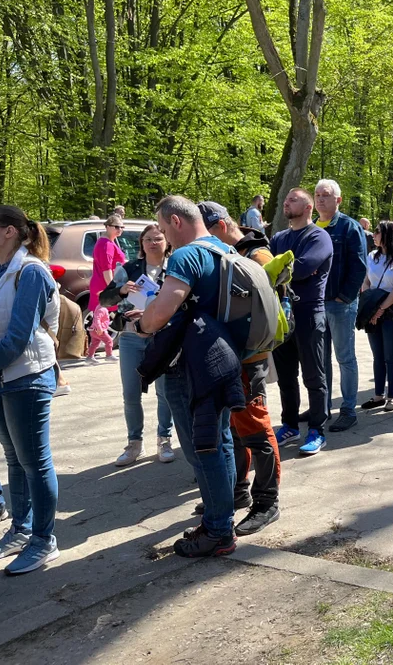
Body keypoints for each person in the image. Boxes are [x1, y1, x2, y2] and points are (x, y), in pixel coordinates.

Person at [131, 196, 238, 558]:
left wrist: (140, 325)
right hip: (224, 361)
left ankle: (219, 531)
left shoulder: (187, 254)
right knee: (220, 443)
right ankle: (220, 516)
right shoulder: (223, 249)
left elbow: (162, 309)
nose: (162, 237)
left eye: (162, 229)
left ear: (176, 221)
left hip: (192, 368)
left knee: (201, 448)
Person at [0, 206, 61, 575]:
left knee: (34, 461)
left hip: (26, 376)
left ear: (10, 232)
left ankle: (45, 540)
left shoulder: (30, 271)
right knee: (14, 459)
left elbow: (19, 335)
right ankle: (22, 528)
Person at [200, 202, 282, 534]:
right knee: (235, 429)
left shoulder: (255, 255)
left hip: (248, 358)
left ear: (219, 225)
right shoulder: (232, 252)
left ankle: (268, 501)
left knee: (255, 429)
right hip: (228, 356)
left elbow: (269, 304)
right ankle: (238, 491)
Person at [99, 224, 175, 467]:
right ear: (141, 244)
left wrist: (155, 312)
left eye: (158, 238)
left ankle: (164, 439)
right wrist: (121, 290)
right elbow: (104, 298)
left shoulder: (175, 268)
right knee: (131, 394)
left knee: (165, 394)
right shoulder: (129, 268)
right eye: (148, 239)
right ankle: (134, 444)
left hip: (163, 337)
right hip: (132, 337)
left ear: (167, 242)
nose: (153, 243)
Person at [270, 188, 333, 456]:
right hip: (281, 314)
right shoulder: (279, 237)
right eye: (285, 200)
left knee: (313, 376)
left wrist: (281, 270)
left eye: (293, 199)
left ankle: (317, 429)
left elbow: (305, 267)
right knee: (286, 377)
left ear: (308, 207)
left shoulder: (319, 236)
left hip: (308, 313)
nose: (286, 202)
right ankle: (290, 425)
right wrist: (283, 270)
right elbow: (267, 271)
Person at [314, 179, 367, 432]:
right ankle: (321, 407)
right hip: (315, 305)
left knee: (345, 358)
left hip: (339, 305)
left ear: (338, 199)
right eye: (317, 195)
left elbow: (359, 266)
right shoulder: (312, 227)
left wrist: (344, 297)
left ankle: (348, 410)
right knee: (320, 360)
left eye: (326, 195)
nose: (320, 199)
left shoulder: (349, 227)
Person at [361, 220, 393, 412]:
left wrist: (381, 310)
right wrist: (371, 309)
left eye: (377, 232)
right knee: (377, 355)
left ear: (388, 234)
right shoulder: (372, 256)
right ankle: (378, 394)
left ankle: (392, 396)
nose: (374, 235)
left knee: (391, 356)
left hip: (392, 312)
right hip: (372, 311)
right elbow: (366, 282)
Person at [88, 215, 127, 312]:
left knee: (101, 320)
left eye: (122, 227)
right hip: (104, 286)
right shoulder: (106, 245)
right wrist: (112, 291)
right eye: (116, 227)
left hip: (102, 284)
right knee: (104, 321)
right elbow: (107, 270)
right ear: (107, 227)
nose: (120, 229)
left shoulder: (107, 241)